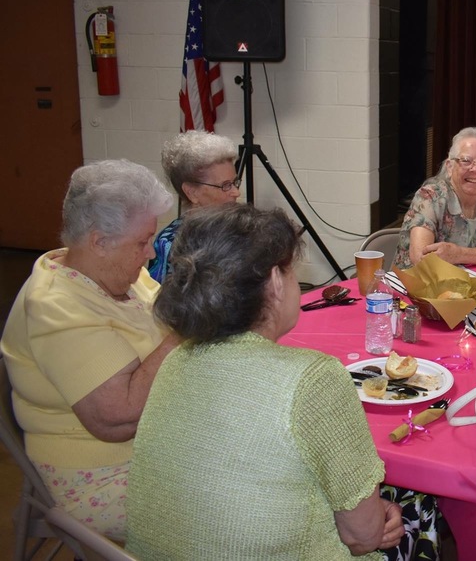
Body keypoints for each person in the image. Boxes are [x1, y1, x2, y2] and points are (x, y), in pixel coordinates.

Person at [127, 204, 441, 560]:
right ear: (276, 282)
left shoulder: (175, 361)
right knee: (419, 504)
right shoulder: (313, 380)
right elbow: (363, 538)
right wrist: (372, 514)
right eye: (293, 270)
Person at [1, 159, 179, 540]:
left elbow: (167, 317)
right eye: (142, 242)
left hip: (156, 442)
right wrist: (186, 332)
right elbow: (116, 419)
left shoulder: (119, 274)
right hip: (103, 474)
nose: (151, 254)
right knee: (247, 498)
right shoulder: (56, 306)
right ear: (99, 242)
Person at [394, 126, 476, 269]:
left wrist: (458, 254)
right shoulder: (430, 197)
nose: (475, 169)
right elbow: (421, 260)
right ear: (450, 166)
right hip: (420, 281)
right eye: (466, 161)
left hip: (474, 281)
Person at [148, 130, 240, 282]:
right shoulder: (171, 244)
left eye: (235, 182)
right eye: (225, 185)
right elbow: (161, 295)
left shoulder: (242, 229)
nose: (236, 192)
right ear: (192, 192)